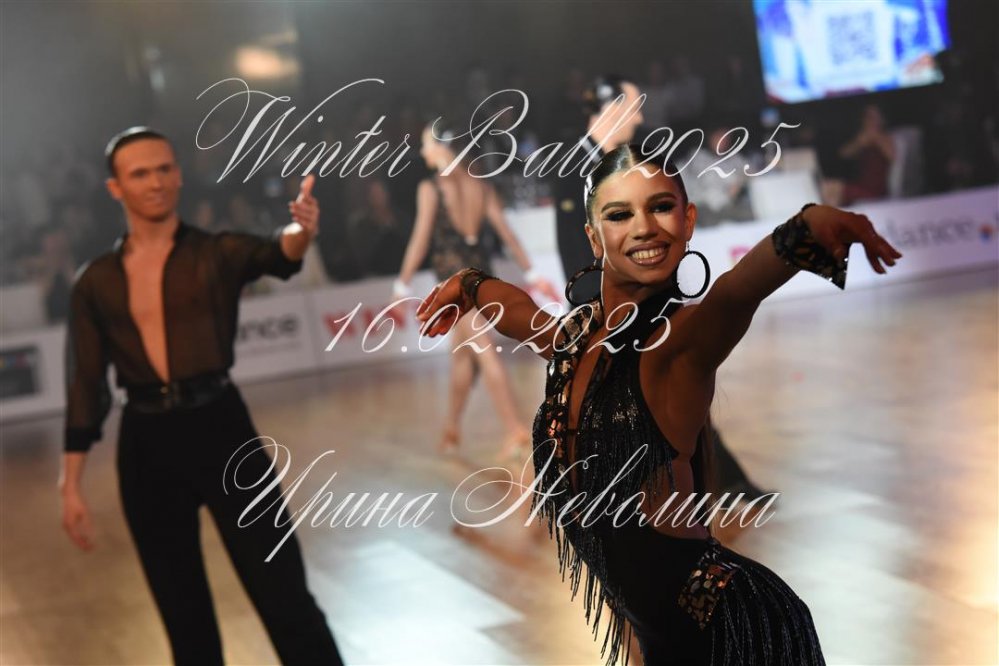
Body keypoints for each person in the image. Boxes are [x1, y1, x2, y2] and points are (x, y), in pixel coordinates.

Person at [416, 144, 901, 665]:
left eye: (661, 207)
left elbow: (736, 292)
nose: (644, 228)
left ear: (688, 220)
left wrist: (806, 227)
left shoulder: (680, 345)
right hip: (665, 637)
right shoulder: (575, 338)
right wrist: (470, 284)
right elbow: (520, 314)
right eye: (619, 215)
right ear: (593, 237)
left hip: (731, 635)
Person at [58, 127, 344, 665]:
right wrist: (70, 483)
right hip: (147, 444)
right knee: (183, 615)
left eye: (164, 169)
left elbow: (277, 252)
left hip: (222, 430)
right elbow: (85, 382)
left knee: (284, 595)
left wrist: (302, 230)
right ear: (115, 188)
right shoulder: (95, 282)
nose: (155, 182)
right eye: (140, 173)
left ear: (179, 175)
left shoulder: (217, 252)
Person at [554, 74, 765, 500]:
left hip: (643, 303)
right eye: (633, 107)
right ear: (611, 109)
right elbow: (575, 248)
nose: (639, 116)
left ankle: (718, 482)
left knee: (680, 390)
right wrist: (595, 310)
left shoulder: (624, 162)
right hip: (611, 310)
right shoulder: (578, 167)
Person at [394, 123, 556, 459]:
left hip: (455, 284)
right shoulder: (479, 184)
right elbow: (506, 233)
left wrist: (401, 285)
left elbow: (420, 239)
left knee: (484, 351)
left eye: (426, 144)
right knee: (463, 356)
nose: (423, 151)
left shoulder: (431, 187)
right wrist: (532, 272)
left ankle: (515, 429)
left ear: (442, 147)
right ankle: (452, 429)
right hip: (481, 278)